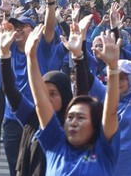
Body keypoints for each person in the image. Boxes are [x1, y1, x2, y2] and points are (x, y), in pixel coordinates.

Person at [28, 24, 121, 175]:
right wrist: (30, 56)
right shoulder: (55, 144)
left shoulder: (104, 150)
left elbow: (111, 112)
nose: (73, 122)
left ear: (95, 124)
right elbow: (40, 102)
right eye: (70, 117)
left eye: (81, 117)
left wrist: (113, 67)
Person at [78, 11, 131, 175]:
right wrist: (81, 40)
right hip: (109, 166)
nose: (119, 82)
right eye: (116, 77)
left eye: (124, 78)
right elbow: (86, 76)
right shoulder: (105, 94)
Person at [0, 20, 73, 176]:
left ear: (65, 96)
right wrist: (4, 56)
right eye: (43, 92)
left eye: (53, 93)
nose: (46, 98)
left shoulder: (72, 125)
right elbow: (10, 91)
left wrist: (79, 57)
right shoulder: (32, 118)